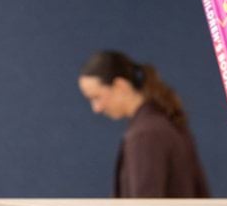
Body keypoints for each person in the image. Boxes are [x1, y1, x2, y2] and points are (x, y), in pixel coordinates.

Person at [77, 50, 211, 198]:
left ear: (120, 85)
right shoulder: (163, 122)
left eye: (96, 97)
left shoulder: (145, 135)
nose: (96, 108)